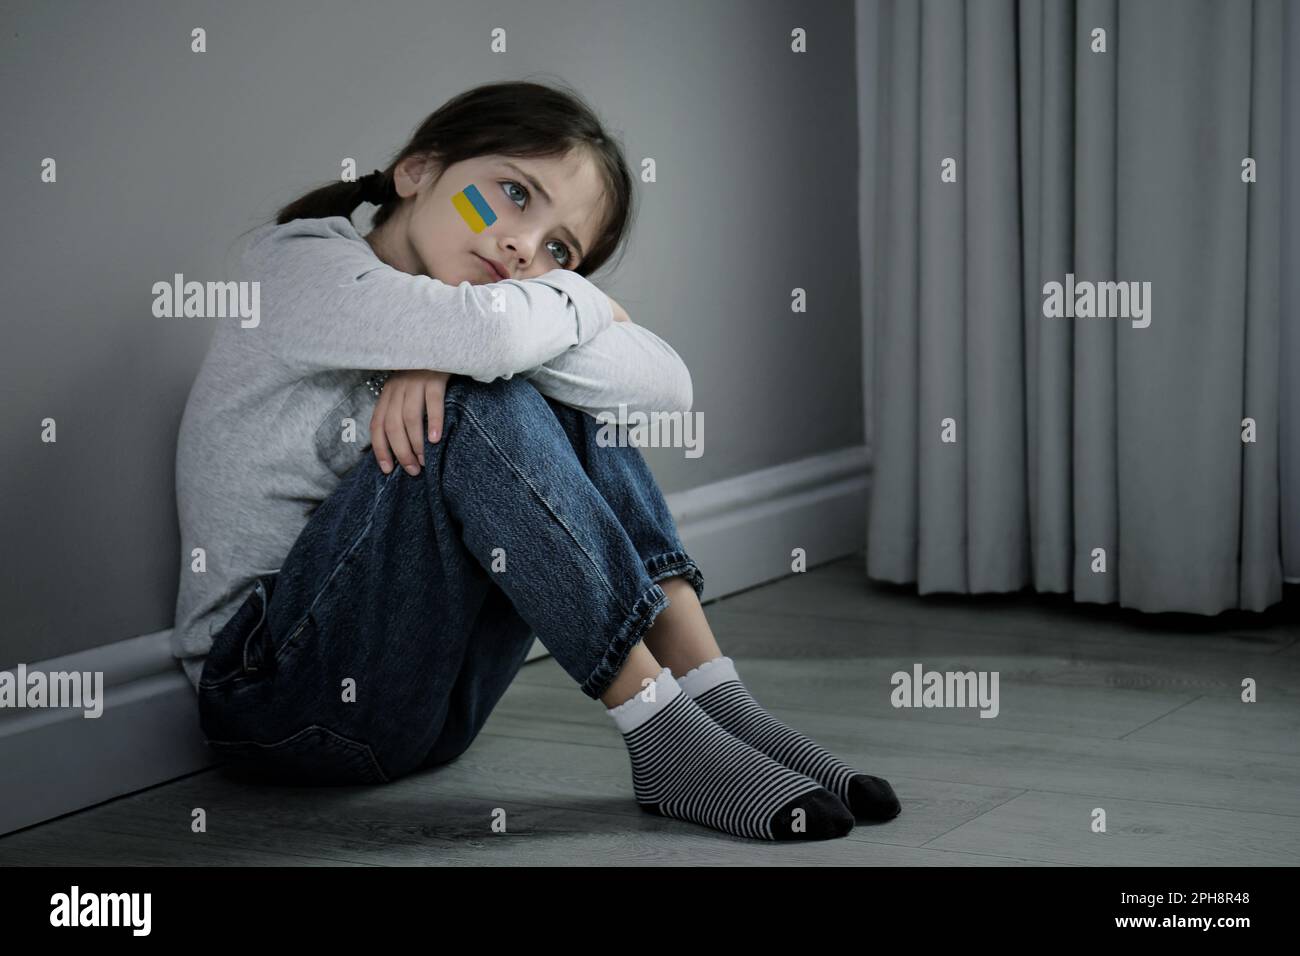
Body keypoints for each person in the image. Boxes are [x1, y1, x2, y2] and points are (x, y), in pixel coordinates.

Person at [174, 78, 900, 842]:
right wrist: (572, 306)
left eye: (561, 251)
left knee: (528, 388)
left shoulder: (489, 311)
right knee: (486, 393)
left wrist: (482, 342)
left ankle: (720, 705)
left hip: (434, 708)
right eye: (512, 194)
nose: (524, 245)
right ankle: (664, 738)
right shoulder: (292, 267)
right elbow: (490, 342)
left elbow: (666, 388)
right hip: (272, 699)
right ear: (418, 170)